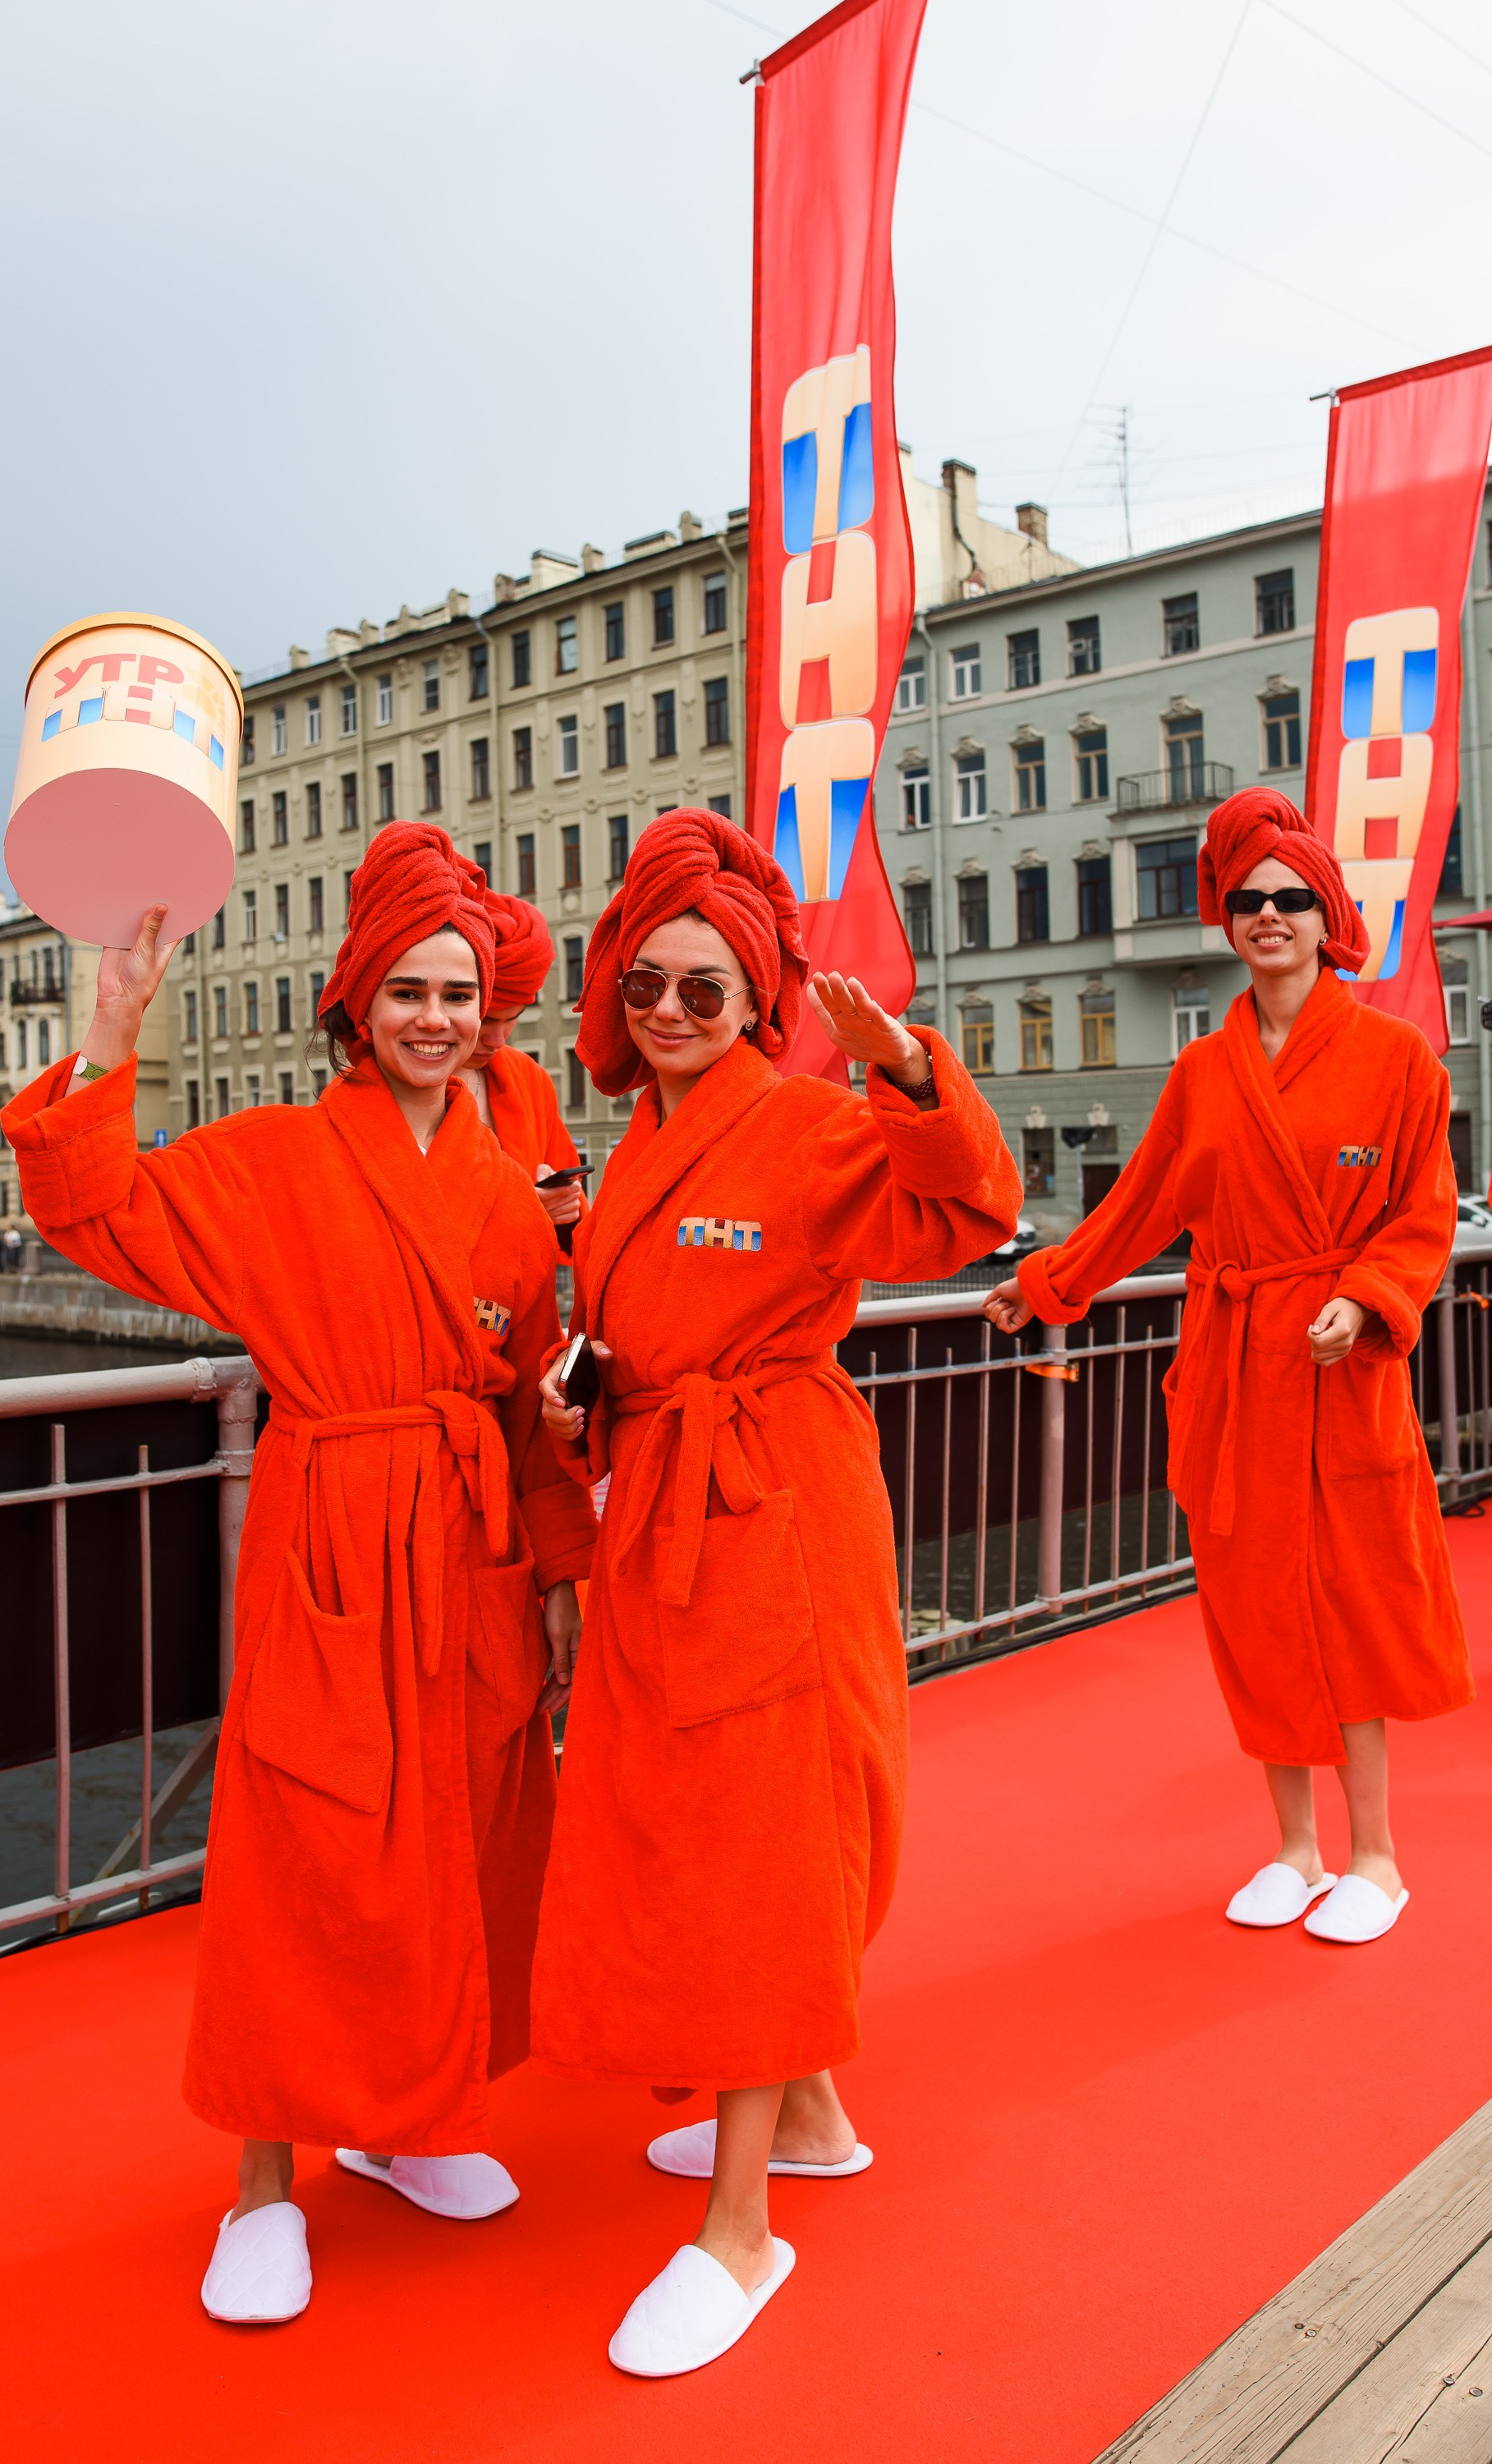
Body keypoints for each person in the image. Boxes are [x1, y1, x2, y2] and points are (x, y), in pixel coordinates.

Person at [2, 822, 595, 2326]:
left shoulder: (511, 1198)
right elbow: (92, 1209)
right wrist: (116, 1027)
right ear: (353, 1005)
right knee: (304, 1854)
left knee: (461, 1841)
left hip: (468, 1555)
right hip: (332, 1539)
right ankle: (264, 2186)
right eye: (406, 993)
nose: (435, 1021)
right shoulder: (271, 1159)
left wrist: (560, 1575)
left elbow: (530, 1405)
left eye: (457, 996)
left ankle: (407, 2125)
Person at [532, 807, 1021, 2378]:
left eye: (707, 990)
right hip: (660, 1507)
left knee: (760, 1835)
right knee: (683, 1818)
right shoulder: (628, 1160)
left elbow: (966, 1215)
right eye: (650, 988)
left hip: (775, 1510)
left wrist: (903, 1075)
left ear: (758, 1003)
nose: (672, 1013)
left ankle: (740, 2229)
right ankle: (805, 2117)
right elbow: (642, 1322)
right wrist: (584, 1386)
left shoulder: (810, 1127)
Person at [985, 787, 1471, 1947]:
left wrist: (1362, 1302)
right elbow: (1141, 1202)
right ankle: (1293, 1850)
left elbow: (1422, 1213)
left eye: (1289, 898)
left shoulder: (1396, 1059)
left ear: (1325, 915)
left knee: (1346, 1611)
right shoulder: (1205, 1073)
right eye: (1246, 899)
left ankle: (1376, 1858)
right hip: (1236, 1367)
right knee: (1252, 1612)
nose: (1266, 915)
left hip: (1340, 1376)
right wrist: (1045, 1283)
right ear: (1226, 916)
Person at [459, 890, 586, 1246]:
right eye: (486, 1021)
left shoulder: (529, 1078)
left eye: (512, 1019)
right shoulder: (399, 1086)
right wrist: (525, 1212)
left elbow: (575, 1219)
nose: (498, 1040)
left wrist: (562, 1208)